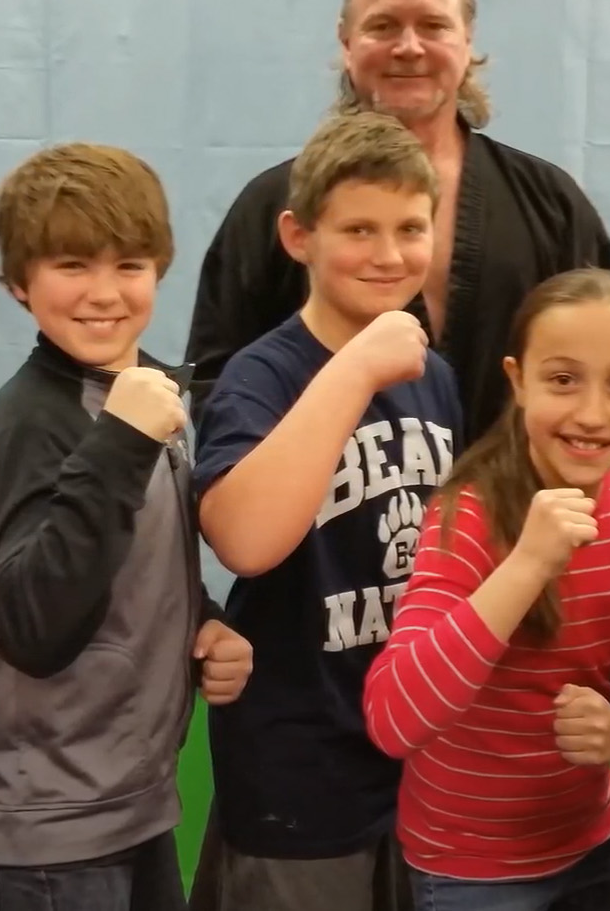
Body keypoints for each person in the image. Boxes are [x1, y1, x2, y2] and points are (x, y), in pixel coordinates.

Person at [0, 142, 253, 911]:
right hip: (50, 817)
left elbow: (135, 556)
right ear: (20, 283)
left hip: (128, 792)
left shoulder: (144, 392)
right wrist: (120, 442)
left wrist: (204, 624)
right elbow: (30, 625)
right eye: (72, 265)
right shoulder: (33, 422)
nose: (103, 293)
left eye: (129, 265)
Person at [188, 112, 462, 911]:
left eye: (410, 227)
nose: (387, 254)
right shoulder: (261, 377)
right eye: (358, 229)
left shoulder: (433, 378)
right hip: (297, 765)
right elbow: (243, 539)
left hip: (407, 761)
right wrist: (355, 370)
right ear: (297, 235)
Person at [185, 0, 610, 447]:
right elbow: (220, 389)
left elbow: (602, 363)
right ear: (347, 44)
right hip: (327, 516)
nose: (409, 47)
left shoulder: (550, 203)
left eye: (433, 26)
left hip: (519, 516)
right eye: (383, 25)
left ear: (466, 41)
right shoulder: (274, 206)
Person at [362, 267, 610, 911]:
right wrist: (525, 566)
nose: (592, 414)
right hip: (468, 871)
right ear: (518, 380)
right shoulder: (466, 514)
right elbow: (394, 720)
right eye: (563, 380)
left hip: (591, 847)